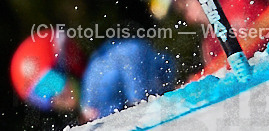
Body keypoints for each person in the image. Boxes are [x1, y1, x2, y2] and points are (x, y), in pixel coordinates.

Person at [10, 28, 174, 122]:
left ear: (69, 62)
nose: (54, 97)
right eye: (40, 97)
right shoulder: (88, 107)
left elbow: (131, 52)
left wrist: (141, 104)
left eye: (51, 83)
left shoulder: (95, 78)